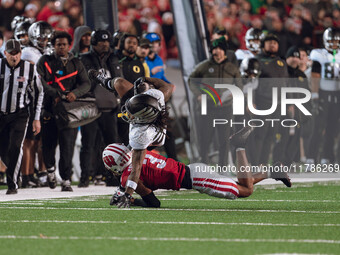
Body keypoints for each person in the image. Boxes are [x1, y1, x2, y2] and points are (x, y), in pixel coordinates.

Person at [104, 127, 292, 208]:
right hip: (194, 170)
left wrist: (130, 200)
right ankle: (273, 171)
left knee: (246, 190)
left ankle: (238, 145)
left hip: (197, 179)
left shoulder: (127, 176)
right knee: (236, 184)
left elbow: (154, 203)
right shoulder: (140, 152)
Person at [88, 71, 174, 207]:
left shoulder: (141, 135)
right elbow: (168, 87)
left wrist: (127, 194)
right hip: (145, 117)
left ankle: (122, 188)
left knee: (118, 158)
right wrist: (147, 79)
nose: (127, 113)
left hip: (149, 137)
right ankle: (106, 81)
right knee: (120, 83)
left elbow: (136, 169)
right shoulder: (157, 95)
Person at [37, 31, 90, 192]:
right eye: (58, 44)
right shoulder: (45, 61)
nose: (61, 47)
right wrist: (56, 94)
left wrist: (75, 94)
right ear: (53, 46)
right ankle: (51, 171)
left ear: (69, 45)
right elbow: (40, 82)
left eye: (64, 44)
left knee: (68, 145)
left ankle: (66, 179)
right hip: (49, 108)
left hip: (69, 110)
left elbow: (86, 83)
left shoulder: (76, 63)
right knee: (48, 144)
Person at [189, 36, 242, 167]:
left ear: (224, 51)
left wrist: (233, 94)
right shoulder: (204, 66)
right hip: (207, 107)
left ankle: (223, 167)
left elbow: (239, 86)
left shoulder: (232, 68)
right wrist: (199, 95)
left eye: (219, 48)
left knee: (224, 140)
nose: (217, 51)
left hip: (226, 108)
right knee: (204, 139)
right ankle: (203, 167)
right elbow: (191, 80)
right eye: (214, 49)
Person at [78, 29, 121, 187]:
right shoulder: (83, 59)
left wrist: (118, 102)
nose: (104, 44)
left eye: (107, 41)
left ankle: (111, 177)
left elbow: (119, 81)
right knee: (88, 144)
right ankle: (84, 177)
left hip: (110, 108)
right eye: (101, 41)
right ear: (94, 43)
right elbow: (82, 82)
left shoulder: (114, 58)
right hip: (91, 107)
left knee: (112, 146)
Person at [0, 39, 44, 195]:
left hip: (20, 114)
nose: (14, 57)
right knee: (4, 149)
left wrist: (37, 118)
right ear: (4, 53)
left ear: (21, 53)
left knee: (16, 147)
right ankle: (6, 171)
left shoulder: (30, 69)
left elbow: (39, 93)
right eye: (11, 54)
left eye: (17, 53)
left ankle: (12, 183)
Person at [246, 33, 289, 166]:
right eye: (269, 42)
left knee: (271, 134)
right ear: (263, 45)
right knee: (260, 134)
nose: (272, 45)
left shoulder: (281, 62)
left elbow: (286, 83)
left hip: (278, 102)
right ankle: (254, 165)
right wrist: (250, 101)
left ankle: (263, 165)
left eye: (275, 43)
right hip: (262, 101)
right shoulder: (256, 61)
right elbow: (250, 83)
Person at [305, 28, 340, 165]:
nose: (333, 44)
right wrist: (315, 94)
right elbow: (315, 74)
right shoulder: (319, 54)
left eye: (336, 41)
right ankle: (311, 158)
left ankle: (327, 157)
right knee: (317, 128)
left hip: (337, 94)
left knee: (333, 128)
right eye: (331, 40)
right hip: (323, 93)